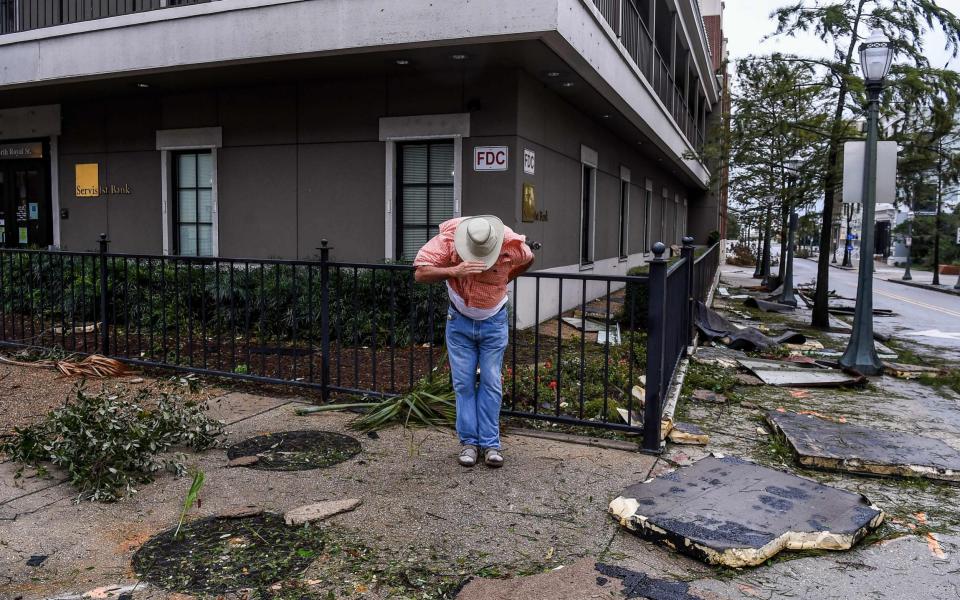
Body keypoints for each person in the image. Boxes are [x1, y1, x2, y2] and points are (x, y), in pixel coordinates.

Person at [413, 215, 535, 468]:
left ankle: (491, 444)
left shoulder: (510, 243)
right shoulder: (448, 239)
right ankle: (469, 443)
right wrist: (453, 271)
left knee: (491, 381)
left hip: (494, 322)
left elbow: (529, 259)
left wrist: (506, 278)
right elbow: (421, 273)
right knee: (463, 383)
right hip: (459, 322)